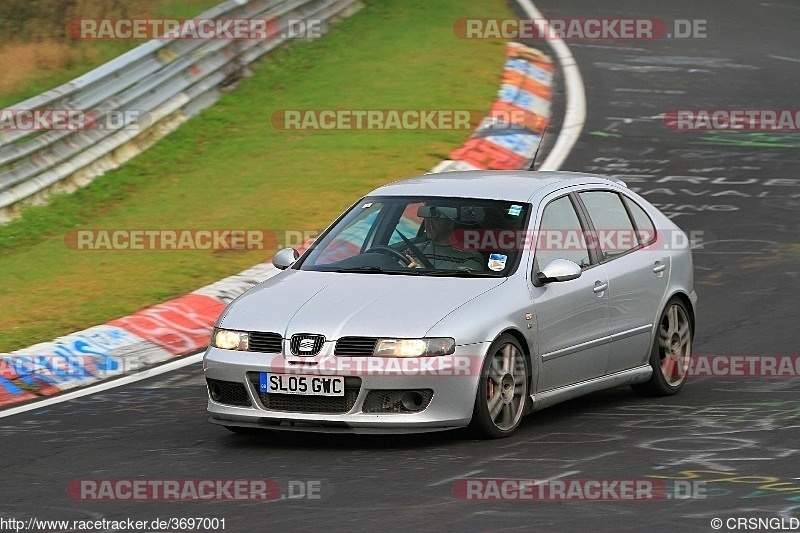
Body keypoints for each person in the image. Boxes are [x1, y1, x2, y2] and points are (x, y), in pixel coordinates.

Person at [403, 210, 484, 271]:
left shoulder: (470, 257)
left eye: (435, 219)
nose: (428, 223)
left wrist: (423, 274)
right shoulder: (412, 250)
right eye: (426, 218)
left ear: (450, 223)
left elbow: (460, 288)